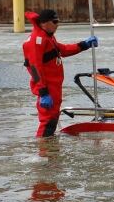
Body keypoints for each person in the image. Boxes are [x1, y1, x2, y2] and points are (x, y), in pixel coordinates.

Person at [22, 9, 98, 137]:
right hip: (47, 87)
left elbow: (63, 50)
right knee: (48, 121)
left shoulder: (47, 36)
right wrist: (43, 92)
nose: (58, 24)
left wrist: (83, 45)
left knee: (52, 120)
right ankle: (44, 151)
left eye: (58, 21)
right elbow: (34, 68)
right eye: (55, 21)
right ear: (44, 23)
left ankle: (51, 151)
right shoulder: (36, 40)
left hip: (54, 86)